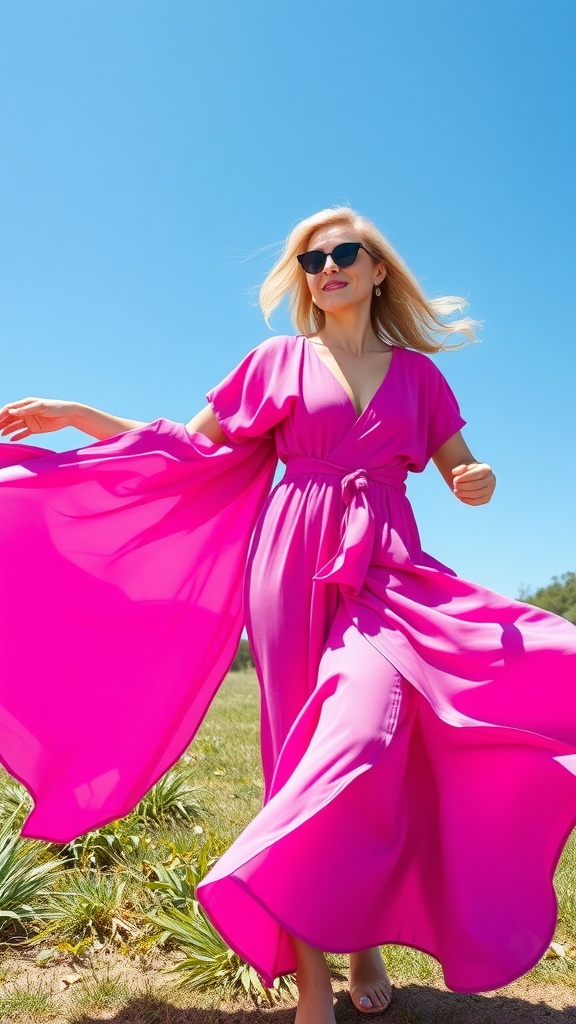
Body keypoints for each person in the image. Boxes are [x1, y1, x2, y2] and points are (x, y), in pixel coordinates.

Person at [0, 207, 575, 1024]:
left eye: (345, 252)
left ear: (379, 270)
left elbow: (460, 466)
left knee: (362, 734)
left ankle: (343, 922)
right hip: (290, 567)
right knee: (297, 753)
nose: (327, 266)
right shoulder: (276, 362)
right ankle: (319, 972)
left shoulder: (419, 378)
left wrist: (476, 477)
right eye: (312, 257)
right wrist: (78, 415)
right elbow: (184, 450)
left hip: (385, 567)